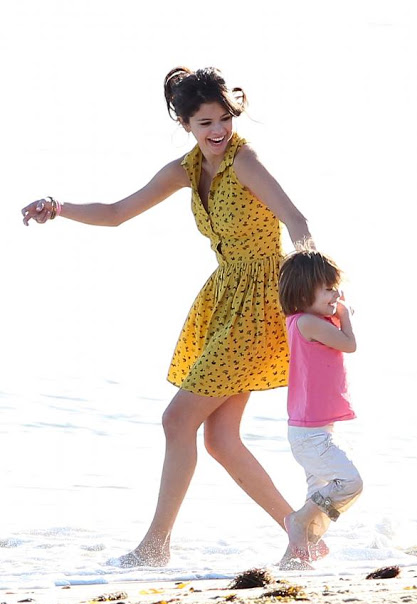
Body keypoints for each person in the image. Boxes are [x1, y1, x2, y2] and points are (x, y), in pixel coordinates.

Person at [22, 66, 314, 568]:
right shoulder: (184, 170)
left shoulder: (245, 161)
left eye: (224, 118)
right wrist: (59, 206)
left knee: (177, 419)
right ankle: (303, 537)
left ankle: (155, 548)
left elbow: (297, 220)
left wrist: (315, 287)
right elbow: (116, 212)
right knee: (220, 439)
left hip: (264, 302)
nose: (219, 130)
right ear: (185, 124)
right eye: (205, 123)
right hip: (227, 301)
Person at [277, 248, 363, 566]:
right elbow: (349, 344)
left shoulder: (307, 321)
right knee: (350, 484)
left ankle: (294, 560)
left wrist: (335, 308)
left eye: (336, 287)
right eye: (328, 289)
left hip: (314, 431)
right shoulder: (307, 323)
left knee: (321, 497)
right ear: (303, 293)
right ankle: (298, 521)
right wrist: (345, 316)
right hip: (312, 436)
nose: (336, 295)